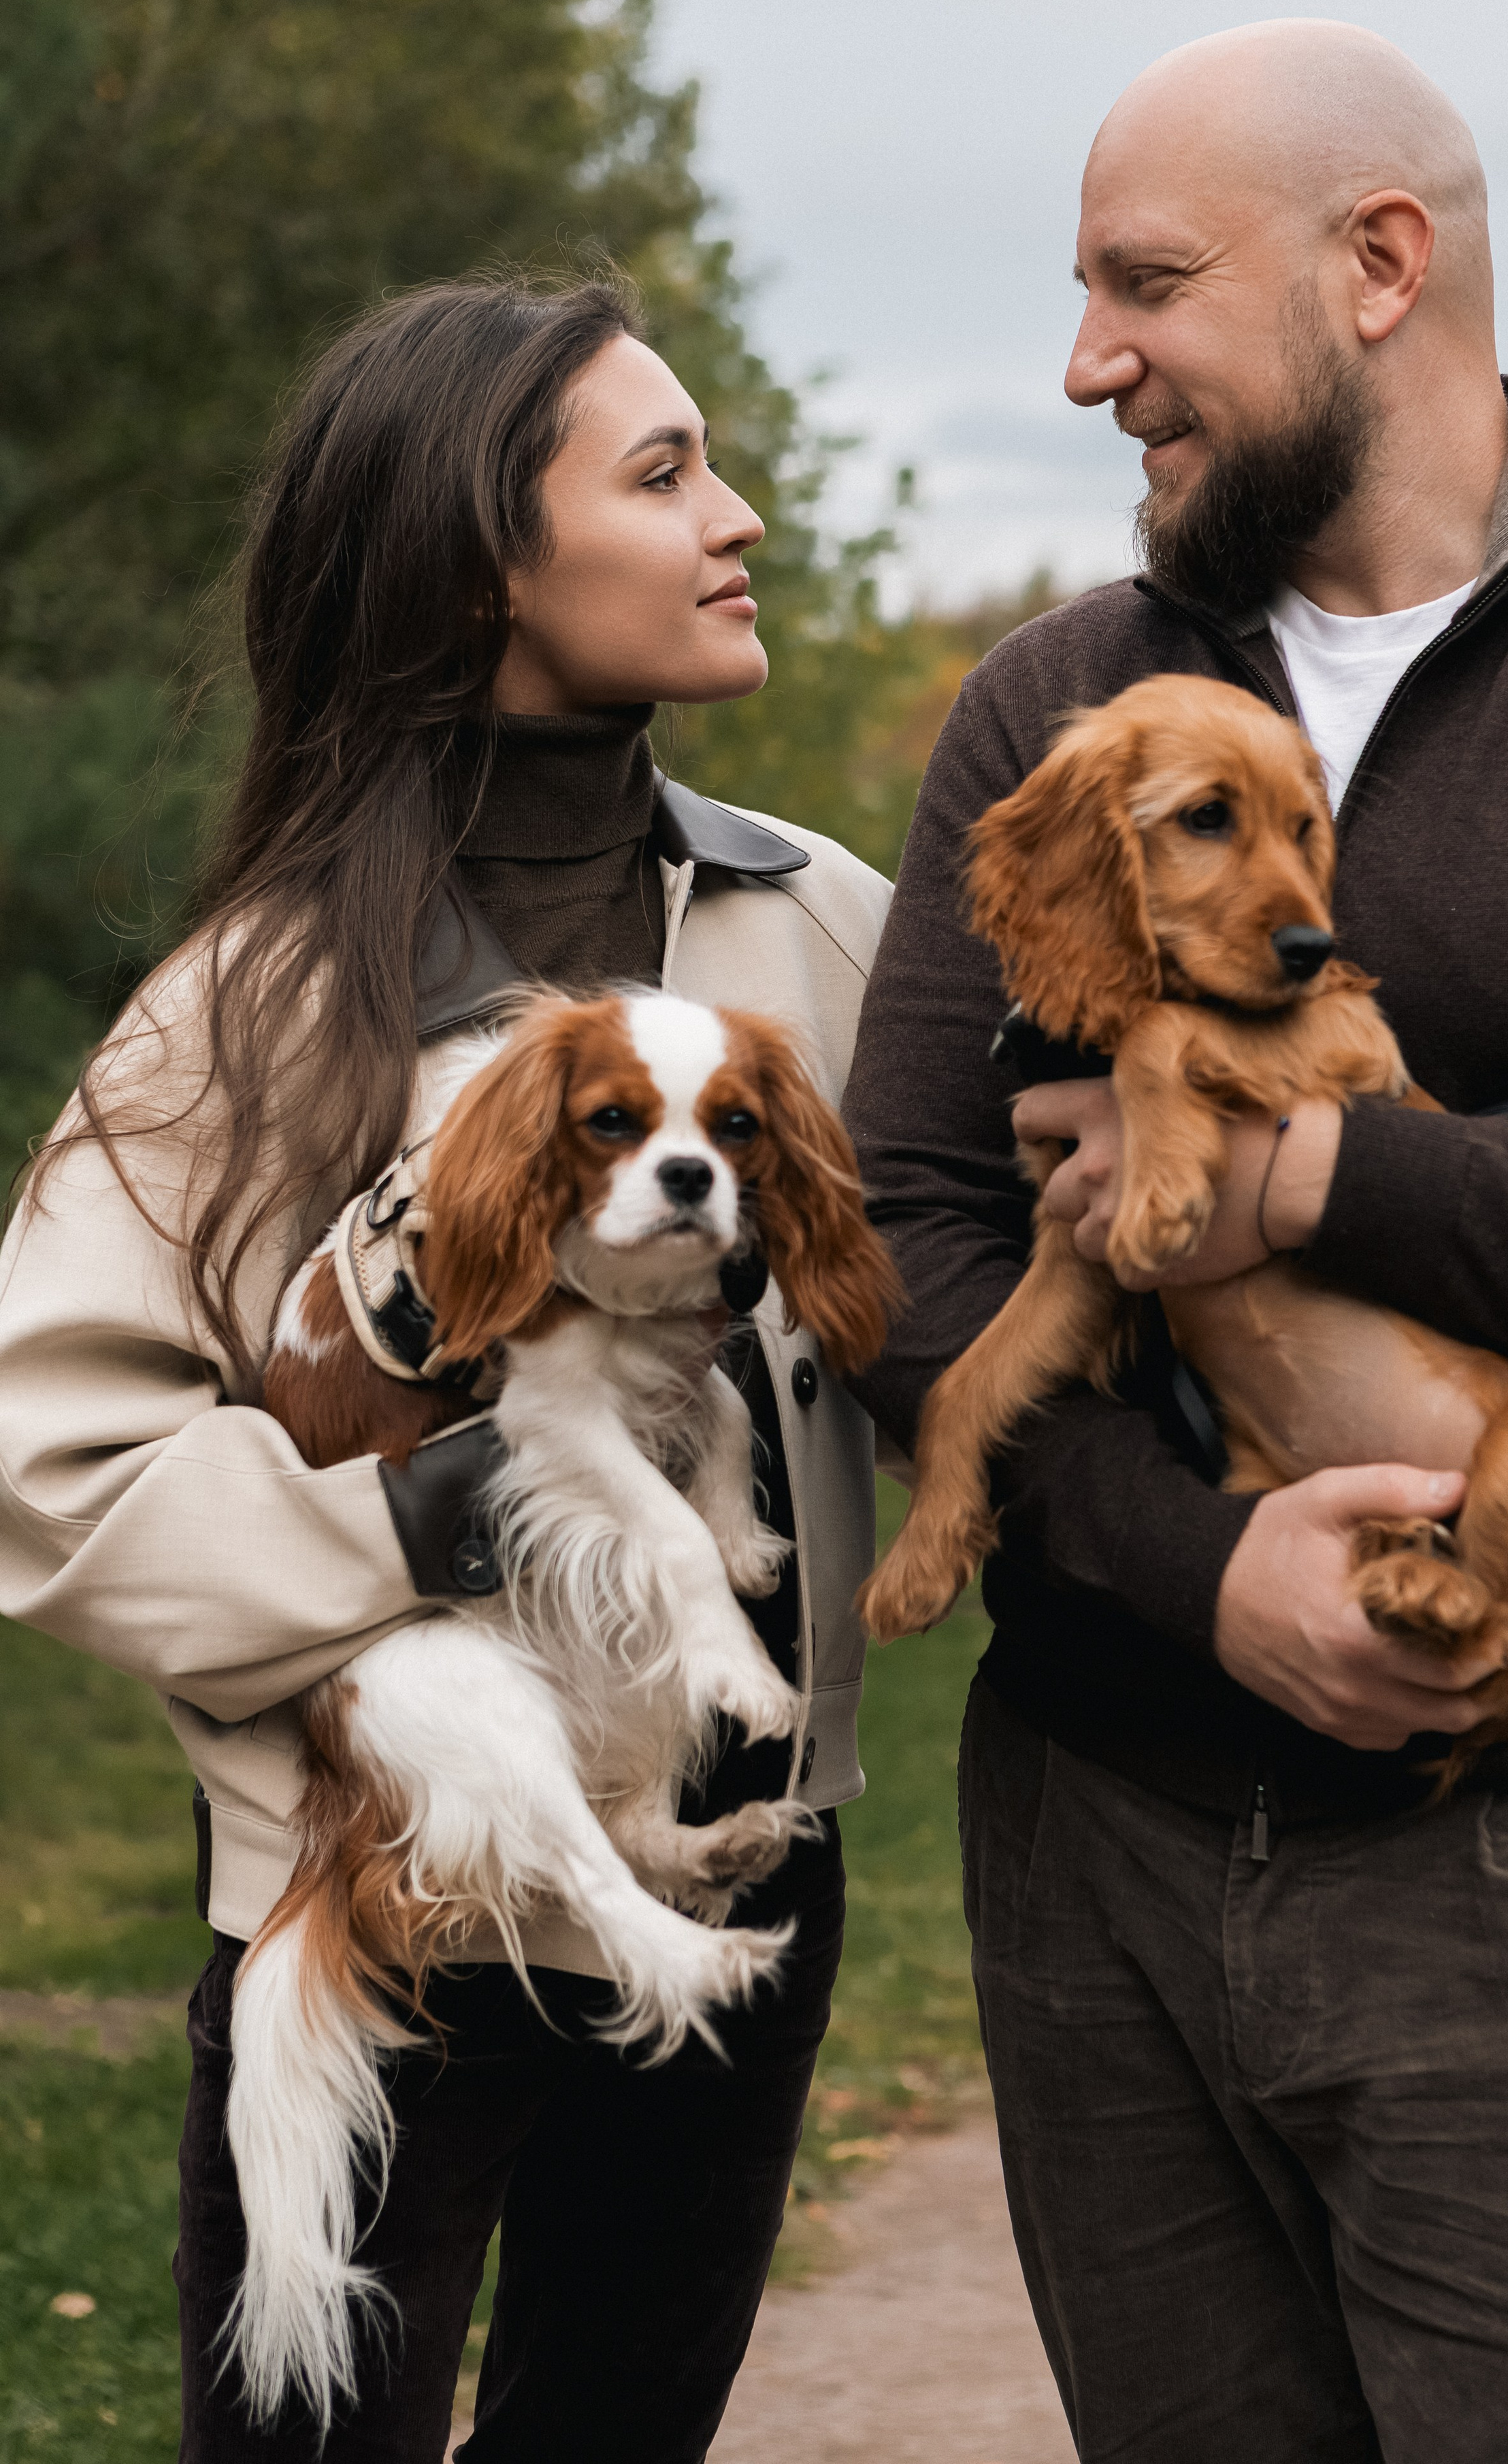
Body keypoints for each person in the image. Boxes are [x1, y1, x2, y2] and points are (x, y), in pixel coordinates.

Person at [843, 20, 1508, 2464]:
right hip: (1101, 1852)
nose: (1084, 362)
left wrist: (1313, 1179)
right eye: (1074, 294)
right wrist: (1188, 1569)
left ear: (1380, 266)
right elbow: (908, 1226)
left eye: (1146, 285)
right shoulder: (1057, 697)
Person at [0, 272, 889, 2462]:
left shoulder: (832, 931)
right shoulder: (249, 1005)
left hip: (739, 1855)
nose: (739, 515)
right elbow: (49, 1466)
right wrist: (405, 1514)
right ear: (481, 555)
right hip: (387, 1897)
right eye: (666, 473)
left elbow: (949, 1307)